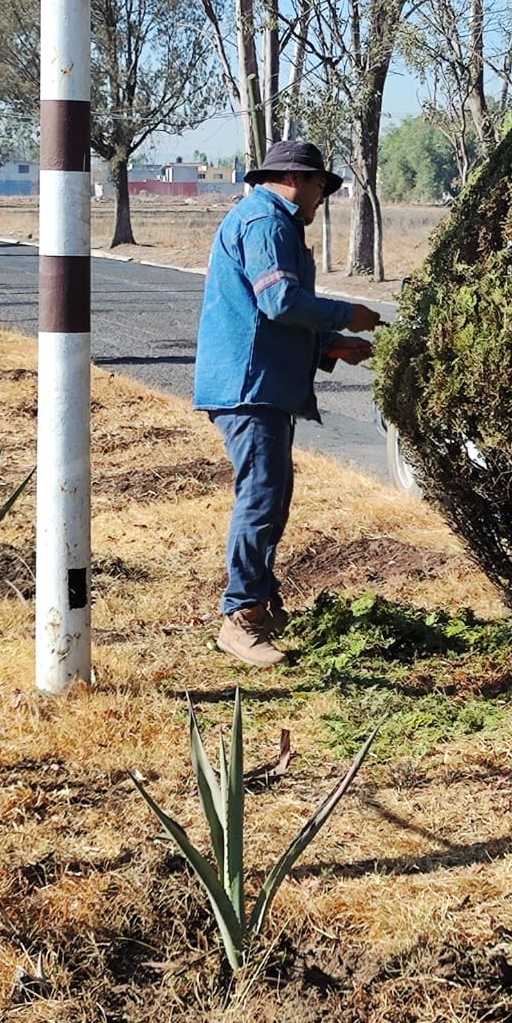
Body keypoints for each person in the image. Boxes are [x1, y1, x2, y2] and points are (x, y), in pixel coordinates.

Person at [194, 139, 382, 667]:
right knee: (261, 496)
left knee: (273, 496)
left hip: (262, 383)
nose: (324, 195)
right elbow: (278, 301)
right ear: (298, 178)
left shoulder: (272, 221)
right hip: (250, 386)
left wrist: (329, 346)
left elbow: (268, 312)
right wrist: (348, 314)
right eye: (322, 184)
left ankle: (260, 602)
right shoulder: (267, 222)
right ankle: (241, 616)